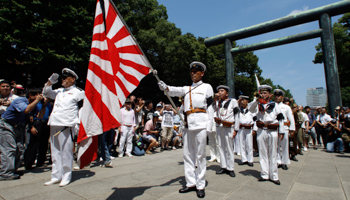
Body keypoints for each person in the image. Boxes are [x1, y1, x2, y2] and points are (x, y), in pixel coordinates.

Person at [158, 61, 214, 198]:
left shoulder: (207, 87)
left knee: (200, 155)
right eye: (192, 71)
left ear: (202, 73)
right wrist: (164, 87)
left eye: (196, 71)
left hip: (201, 123)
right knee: (188, 155)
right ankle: (190, 183)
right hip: (187, 124)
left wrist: (209, 126)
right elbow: (173, 90)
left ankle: (200, 185)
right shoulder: (187, 88)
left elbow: (211, 108)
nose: (193, 73)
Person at [42, 68, 85, 187]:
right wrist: (49, 83)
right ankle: (56, 176)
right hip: (54, 123)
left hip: (66, 125)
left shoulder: (79, 92)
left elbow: (84, 109)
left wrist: (77, 124)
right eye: (62, 78)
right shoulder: (59, 91)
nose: (63, 79)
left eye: (66, 77)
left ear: (73, 79)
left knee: (66, 152)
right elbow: (46, 93)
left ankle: (66, 176)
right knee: (55, 152)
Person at [0, 88, 46, 180]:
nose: (40, 97)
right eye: (38, 95)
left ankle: (13, 169)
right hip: (7, 125)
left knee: (20, 148)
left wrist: (44, 105)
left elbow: (39, 116)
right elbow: (25, 110)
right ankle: (5, 173)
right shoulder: (20, 100)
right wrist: (37, 101)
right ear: (31, 95)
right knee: (9, 149)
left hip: (19, 127)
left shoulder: (34, 105)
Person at [249, 85, 284, 185]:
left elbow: (280, 118)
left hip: (272, 130)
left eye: (265, 93)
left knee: (273, 153)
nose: (263, 95)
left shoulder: (275, 105)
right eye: (261, 93)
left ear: (270, 94)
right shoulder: (258, 104)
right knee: (263, 152)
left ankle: (274, 175)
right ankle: (264, 174)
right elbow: (250, 109)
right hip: (261, 130)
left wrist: (281, 131)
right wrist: (256, 100)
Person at [214, 85, 239, 177]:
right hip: (219, 127)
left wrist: (236, 129)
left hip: (229, 127)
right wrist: (215, 100)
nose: (219, 93)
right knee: (220, 146)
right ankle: (223, 166)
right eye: (219, 91)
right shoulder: (217, 102)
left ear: (227, 93)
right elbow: (212, 109)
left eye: (222, 91)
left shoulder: (233, 101)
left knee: (229, 148)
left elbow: (237, 115)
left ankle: (230, 168)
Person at [24, 99, 53, 170]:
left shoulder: (49, 105)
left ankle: (40, 162)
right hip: (37, 123)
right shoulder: (36, 103)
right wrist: (32, 126)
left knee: (44, 144)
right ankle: (29, 163)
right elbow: (30, 115)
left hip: (46, 123)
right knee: (33, 144)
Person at [273, 89, 295, 170]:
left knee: (285, 146)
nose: (277, 97)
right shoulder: (272, 105)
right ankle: (278, 161)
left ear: (282, 97)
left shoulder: (286, 107)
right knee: (276, 146)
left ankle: (285, 162)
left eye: (279, 95)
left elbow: (291, 118)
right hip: (275, 128)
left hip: (285, 128)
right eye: (276, 95)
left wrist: (292, 129)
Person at [237, 95, 256, 167]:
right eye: (241, 100)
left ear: (247, 101)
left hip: (249, 129)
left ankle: (250, 160)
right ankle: (244, 159)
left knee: (249, 144)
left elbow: (255, 120)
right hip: (241, 129)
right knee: (242, 144)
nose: (242, 102)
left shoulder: (251, 110)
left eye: (243, 100)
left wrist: (254, 129)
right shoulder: (238, 110)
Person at [207, 93, 220, 163]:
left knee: (217, 142)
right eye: (215, 96)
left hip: (216, 124)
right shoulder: (209, 105)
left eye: (217, 96)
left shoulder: (220, 103)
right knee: (211, 141)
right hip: (210, 124)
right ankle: (213, 156)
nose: (216, 97)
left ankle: (218, 156)